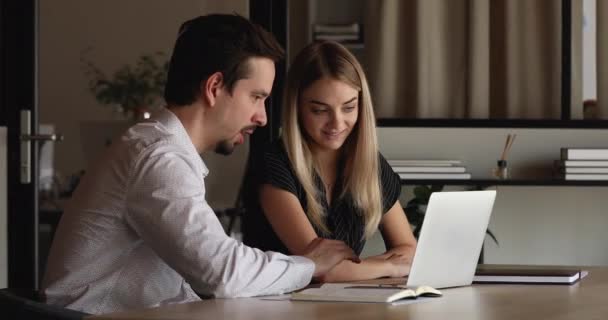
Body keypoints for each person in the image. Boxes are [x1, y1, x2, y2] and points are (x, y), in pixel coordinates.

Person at [42, 15, 359, 315]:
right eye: (256, 97)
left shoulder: (161, 150)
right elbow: (223, 272)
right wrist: (309, 264)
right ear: (214, 87)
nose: (262, 117)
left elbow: (212, 265)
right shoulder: (158, 158)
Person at [242, 41, 417, 282]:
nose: (337, 123)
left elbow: (408, 248)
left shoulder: (367, 163)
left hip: (344, 305)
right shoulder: (274, 164)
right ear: (297, 108)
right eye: (320, 110)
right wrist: (388, 266)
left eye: (349, 108)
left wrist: (361, 268)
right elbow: (318, 270)